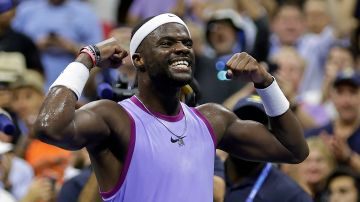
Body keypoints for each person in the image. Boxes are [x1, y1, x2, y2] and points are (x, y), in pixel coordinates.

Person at [34, 13, 309, 202]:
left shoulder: (212, 119)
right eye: (167, 43)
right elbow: (49, 127)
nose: (182, 49)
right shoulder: (114, 117)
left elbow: (294, 150)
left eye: (186, 43)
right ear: (139, 60)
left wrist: (266, 83)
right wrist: (87, 58)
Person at [224, 95, 313, 202]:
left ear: (273, 135)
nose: (247, 133)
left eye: (258, 124)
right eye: (241, 121)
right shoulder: (208, 172)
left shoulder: (290, 195)